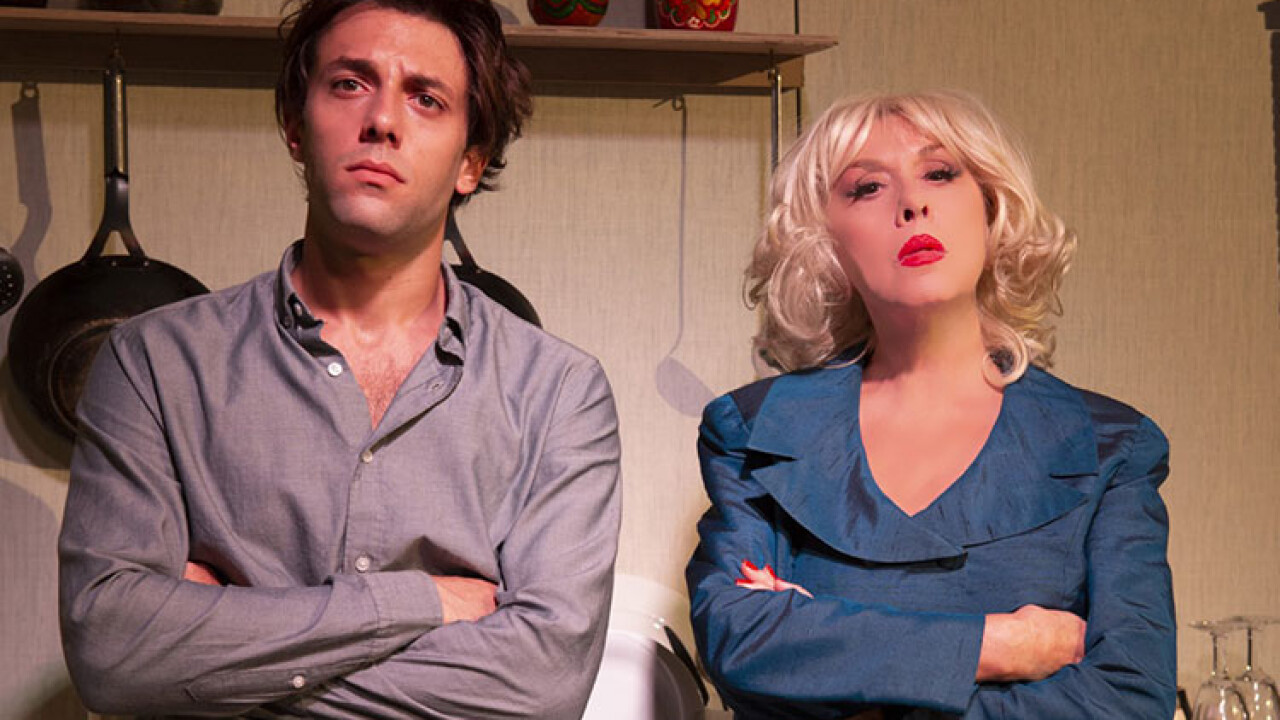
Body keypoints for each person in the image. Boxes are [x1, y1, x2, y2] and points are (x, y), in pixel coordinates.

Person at [58, 0, 622, 717]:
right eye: (350, 83)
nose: (381, 120)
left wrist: (225, 650)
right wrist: (419, 603)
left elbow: (542, 688)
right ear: (295, 126)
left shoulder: (559, 392)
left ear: (470, 162)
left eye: (425, 98)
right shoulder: (153, 364)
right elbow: (113, 653)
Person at [685, 90, 1176, 719]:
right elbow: (743, 639)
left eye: (940, 173)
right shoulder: (753, 430)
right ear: (824, 240)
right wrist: (1000, 645)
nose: (912, 204)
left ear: (992, 209)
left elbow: (1129, 698)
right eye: (867, 188)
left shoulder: (1113, 445)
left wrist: (839, 666)